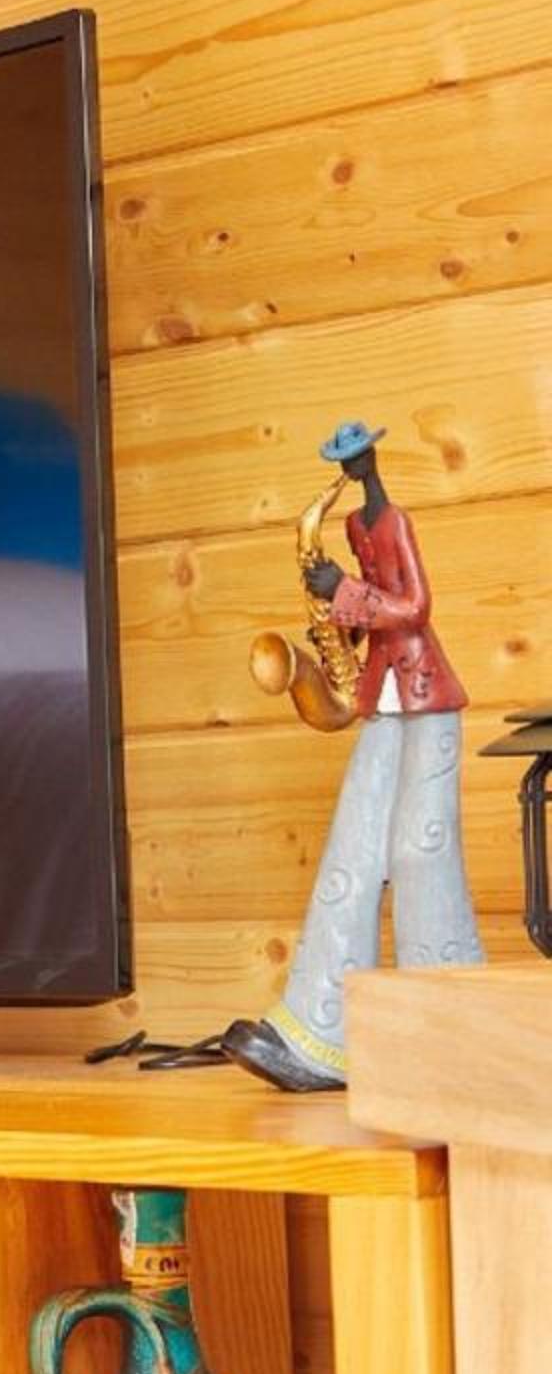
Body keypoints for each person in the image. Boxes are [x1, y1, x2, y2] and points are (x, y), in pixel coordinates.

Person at [222, 420, 482, 1094]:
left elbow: (415, 607)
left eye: (356, 456)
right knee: (353, 847)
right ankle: (318, 1032)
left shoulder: (394, 522)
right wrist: (334, 618)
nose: (350, 468)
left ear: (371, 457)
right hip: (382, 692)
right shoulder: (354, 528)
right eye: (343, 458)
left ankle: (449, 1041)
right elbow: (371, 614)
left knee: (420, 853)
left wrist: (345, 592)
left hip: (425, 693)